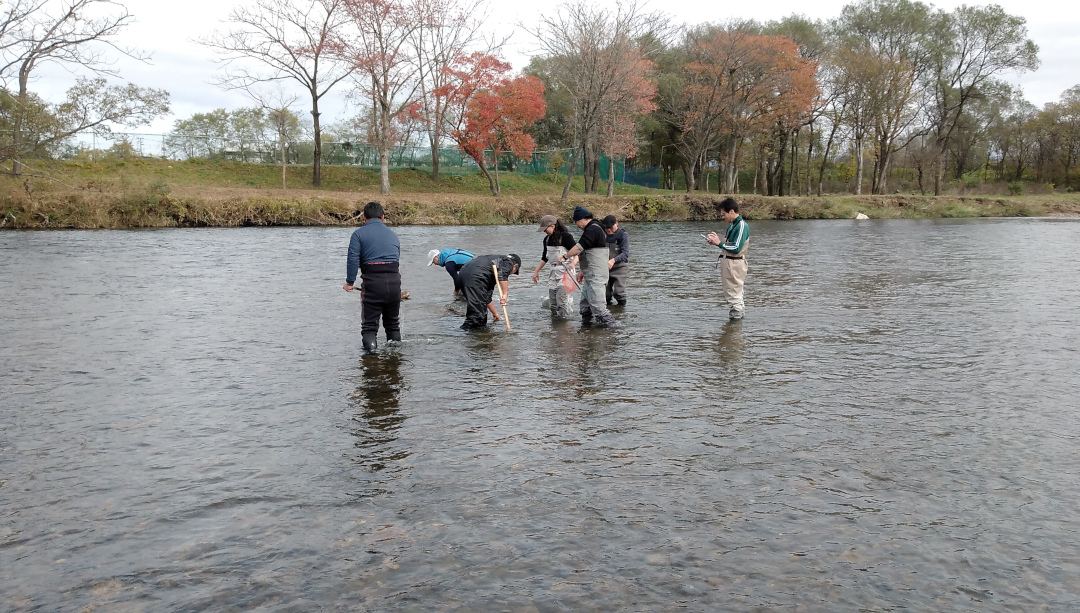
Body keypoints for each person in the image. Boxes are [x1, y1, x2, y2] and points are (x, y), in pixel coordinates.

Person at [343, 201, 402, 353]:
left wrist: (350, 282)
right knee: (393, 324)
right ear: (383, 217)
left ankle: (371, 361)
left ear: (364, 218)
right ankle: (395, 359)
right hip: (395, 283)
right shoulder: (393, 234)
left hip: (373, 283)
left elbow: (353, 259)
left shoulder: (358, 234)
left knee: (369, 326)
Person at [557, 206, 620, 329]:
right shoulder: (593, 229)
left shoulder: (593, 229)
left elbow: (579, 247)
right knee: (585, 306)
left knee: (597, 305)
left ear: (582, 219)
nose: (576, 225)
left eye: (576, 222)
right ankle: (587, 328)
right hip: (589, 273)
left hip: (597, 275)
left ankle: (613, 328)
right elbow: (587, 253)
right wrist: (581, 271)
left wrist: (565, 256)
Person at [706, 197, 750, 320]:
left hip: (734, 264)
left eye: (724, 214)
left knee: (733, 295)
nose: (723, 217)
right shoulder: (733, 225)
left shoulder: (741, 225)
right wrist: (716, 241)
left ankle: (733, 328)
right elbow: (730, 243)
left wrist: (719, 243)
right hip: (730, 262)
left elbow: (736, 247)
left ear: (732, 211)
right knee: (735, 294)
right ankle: (736, 330)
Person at [531, 215, 578, 318]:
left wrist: (572, 263)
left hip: (566, 272)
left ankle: (564, 326)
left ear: (553, 226)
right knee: (553, 304)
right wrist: (536, 271)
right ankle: (555, 326)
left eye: (545, 229)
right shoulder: (547, 240)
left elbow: (578, 253)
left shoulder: (566, 237)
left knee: (561, 301)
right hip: (553, 272)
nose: (544, 232)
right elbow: (545, 257)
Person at [457, 254, 521, 330]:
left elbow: (486, 296)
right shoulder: (508, 261)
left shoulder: (492, 264)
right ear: (515, 266)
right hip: (475, 277)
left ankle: (479, 338)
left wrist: (495, 313)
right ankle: (461, 335)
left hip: (464, 274)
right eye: (513, 272)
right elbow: (503, 275)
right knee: (477, 316)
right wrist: (505, 294)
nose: (510, 274)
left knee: (481, 315)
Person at [601, 215, 630, 306]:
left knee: (619, 292)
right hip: (605, 267)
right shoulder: (602, 234)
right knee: (605, 294)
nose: (609, 230)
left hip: (620, 267)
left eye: (611, 227)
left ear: (616, 224)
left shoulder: (623, 235)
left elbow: (625, 254)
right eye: (606, 228)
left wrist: (613, 260)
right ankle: (608, 310)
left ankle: (621, 311)